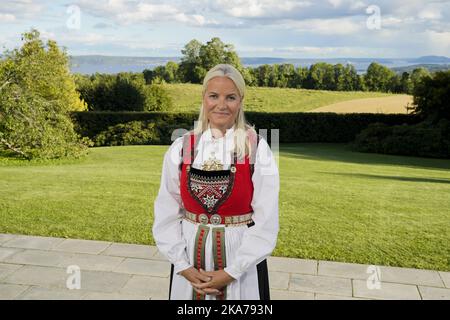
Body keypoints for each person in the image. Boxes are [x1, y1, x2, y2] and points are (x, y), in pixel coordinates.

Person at [152, 64, 279, 300]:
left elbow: (266, 219)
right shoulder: (182, 147)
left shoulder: (257, 148)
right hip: (190, 256)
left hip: (241, 259)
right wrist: (183, 266)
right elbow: (167, 210)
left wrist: (232, 271)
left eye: (230, 97)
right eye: (214, 96)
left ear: (240, 100)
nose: (221, 105)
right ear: (204, 98)